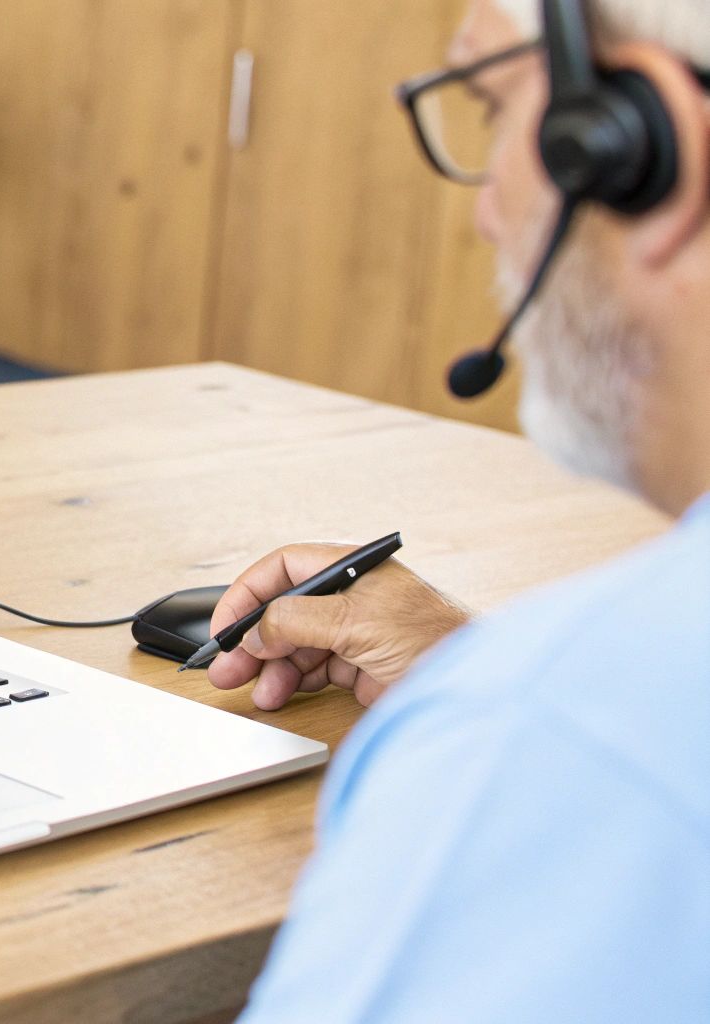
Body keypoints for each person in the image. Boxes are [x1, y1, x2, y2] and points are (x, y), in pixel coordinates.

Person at [212, 0, 710, 1018]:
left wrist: (514, 716)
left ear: (635, 146)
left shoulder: (538, 749)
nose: (483, 213)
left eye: (486, 107)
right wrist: (471, 670)